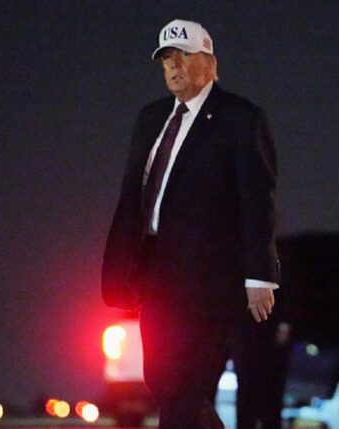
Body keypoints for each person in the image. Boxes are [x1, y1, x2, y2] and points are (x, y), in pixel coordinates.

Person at [101, 19, 282, 429]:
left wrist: (260, 275)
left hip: (209, 278)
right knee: (162, 379)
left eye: (184, 56)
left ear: (211, 63)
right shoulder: (151, 118)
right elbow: (133, 195)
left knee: (184, 384)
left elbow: (258, 197)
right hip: (155, 272)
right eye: (167, 59)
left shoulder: (240, 118)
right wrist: (121, 265)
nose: (174, 67)